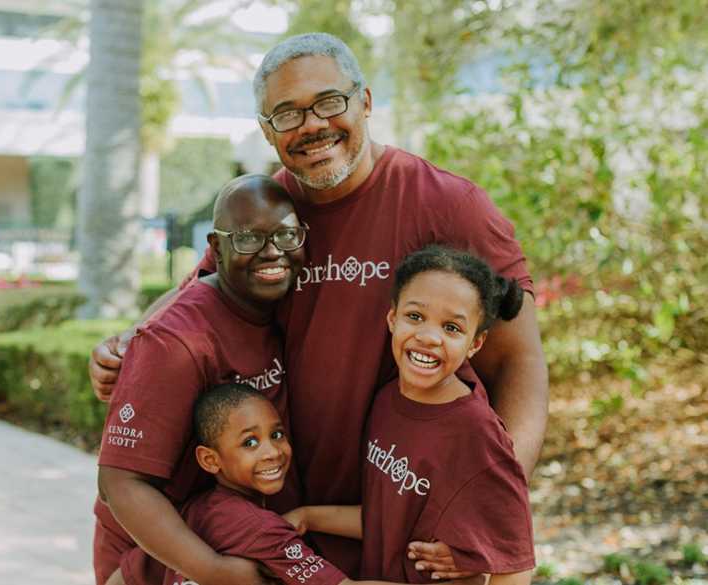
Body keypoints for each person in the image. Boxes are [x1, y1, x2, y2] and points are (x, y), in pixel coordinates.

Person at [91, 33, 549, 579]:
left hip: (396, 528)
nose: (311, 125)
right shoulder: (267, 215)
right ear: (267, 131)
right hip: (283, 532)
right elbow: (200, 287)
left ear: (366, 102)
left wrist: (488, 506)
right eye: (286, 114)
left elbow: (518, 362)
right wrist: (129, 340)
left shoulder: (448, 207)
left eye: (329, 102)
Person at [94, 174, 309, 585]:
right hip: (152, 554)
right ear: (216, 249)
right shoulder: (178, 341)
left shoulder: (273, 310)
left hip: (220, 534)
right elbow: (119, 484)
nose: (272, 252)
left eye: (286, 236)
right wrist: (213, 571)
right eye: (248, 239)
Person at [284, 246, 536, 584]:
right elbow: (389, 521)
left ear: (475, 344)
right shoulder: (388, 401)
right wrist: (308, 517)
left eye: (451, 328)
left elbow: (515, 561)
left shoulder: (475, 432)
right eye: (415, 317)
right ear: (392, 318)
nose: (429, 337)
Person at [111, 383, 487, 585]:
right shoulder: (258, 529)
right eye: (250, 443)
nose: (273, 452)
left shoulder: (190, 515)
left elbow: (126, 575)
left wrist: (308, 515)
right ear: (210, 460)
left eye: (277, 434)